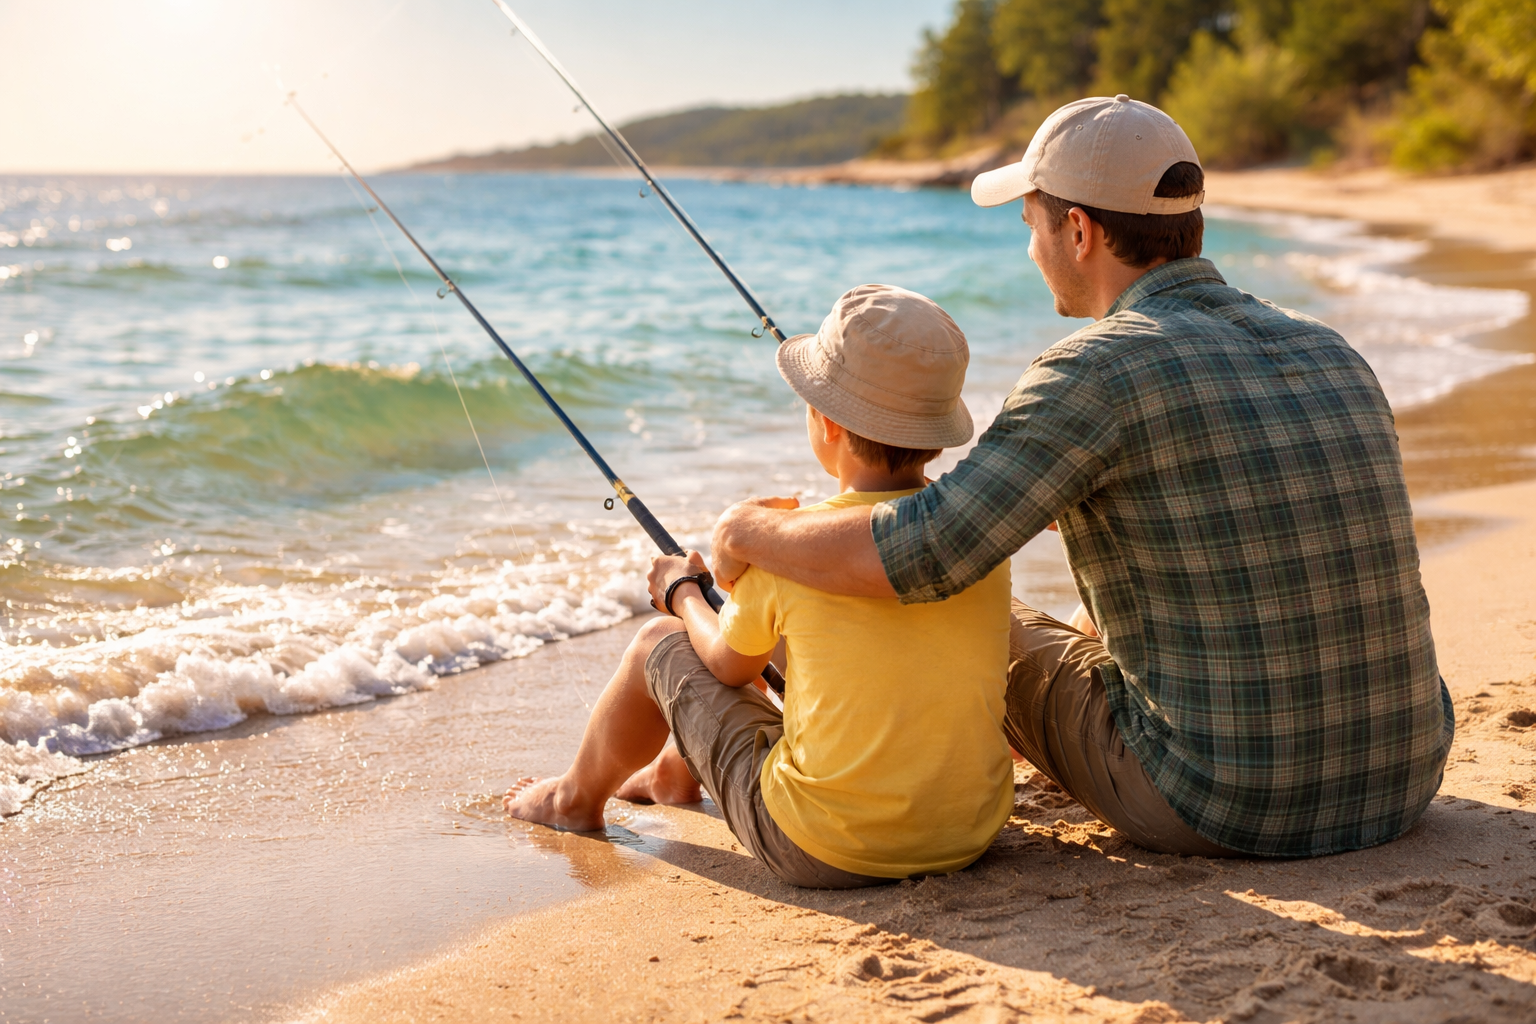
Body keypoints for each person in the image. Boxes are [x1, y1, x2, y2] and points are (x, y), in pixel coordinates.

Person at [709, 95, 1455, 860]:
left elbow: (924, 555)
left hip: (1223, 798)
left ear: (1079, 230)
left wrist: (749, 531)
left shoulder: (1093, 372)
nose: (1030, 249)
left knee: (986, 617)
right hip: (1403, 770)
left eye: (1031, 223)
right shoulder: (1329, 348)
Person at [506, 284, 1015, 888]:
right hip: (967, 831)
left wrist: (684, 593)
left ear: (825, 423)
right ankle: (674, 771)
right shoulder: (971, 535)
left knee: (657, 644)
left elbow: (727, 667)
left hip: (825, 849)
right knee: (819, 648)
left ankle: (571, 801)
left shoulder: (792, 550)